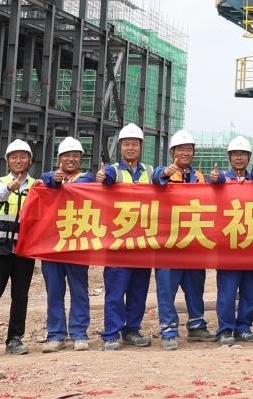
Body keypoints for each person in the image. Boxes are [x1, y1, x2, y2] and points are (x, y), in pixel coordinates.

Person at [0, 139, 38, 359]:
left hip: (24, 250)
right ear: (7, 161)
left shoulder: (36, 186)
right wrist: (12, 186)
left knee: (20, 296)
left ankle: (14, 339)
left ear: (29, 160)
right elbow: (0, 195)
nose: (18, 161)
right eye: (14, 157)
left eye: (23, 157)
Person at [151, 130, 212, 350]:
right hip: (169, 243)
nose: (185, 153)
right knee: (167, 288)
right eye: (181, 149)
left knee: (195, 286)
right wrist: (165, 172)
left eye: (189, 149)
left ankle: (196, 325)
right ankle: (168, 330)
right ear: (172, 152)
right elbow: (156, 178)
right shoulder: (165, 174)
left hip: (194, 241)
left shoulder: (199, 177)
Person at [99, 123, 153, 351]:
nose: (130, 148)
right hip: (118, 242)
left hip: (142, 241)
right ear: (120, 147)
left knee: (138, 290)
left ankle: (132, 329)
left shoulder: (149, 171)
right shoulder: (113, 170)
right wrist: (104, 176)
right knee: (116, 289)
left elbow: (162, 180)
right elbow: (107, 178)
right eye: (127, 144)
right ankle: (111, 333)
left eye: (135, 144)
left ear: (141, 147)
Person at [209, 136, 253, 346]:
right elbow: (215, 183)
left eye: (243, 154)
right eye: (235, 154)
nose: (239, 158)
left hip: (251, 246)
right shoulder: (222, 178)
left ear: (249, 158)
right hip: (228, 247)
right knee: (227, 291)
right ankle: (225, 330)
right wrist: (218, 180)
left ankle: (244, 327)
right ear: (229, 157)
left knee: (250, 291)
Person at [39, 136, 95, 352]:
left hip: (77, 243)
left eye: (75, 156)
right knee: (54, 291)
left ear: (81, 159)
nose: (71, 159)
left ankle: (79, 334)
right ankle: (56, 335)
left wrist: (59, 182)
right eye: (66, 156)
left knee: (79, 290)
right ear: (59, 159)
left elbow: (84, 185)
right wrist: (54, 179)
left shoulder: (87, 179)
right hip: (52, 245)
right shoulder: (48, 178)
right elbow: (47, 179)